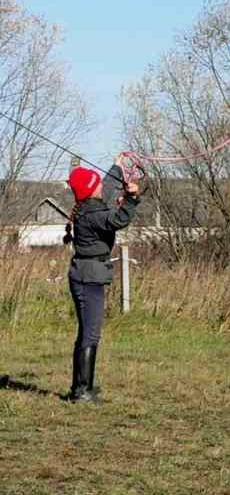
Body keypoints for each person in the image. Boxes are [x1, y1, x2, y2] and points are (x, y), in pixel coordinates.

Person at [63, 155, 140, 403]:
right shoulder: (93, 215)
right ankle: (82, 391)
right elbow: (119, 219)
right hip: (89, 277)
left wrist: (118, 164)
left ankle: (81, 387)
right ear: (90, 190)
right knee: (91, 334)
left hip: (88, 274)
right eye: (96, 184)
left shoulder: (89, 204)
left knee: (88, 332)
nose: (101, 187)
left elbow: (104, 186)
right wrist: (132, 199)